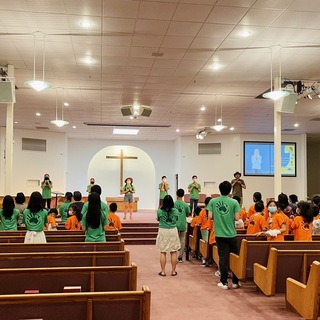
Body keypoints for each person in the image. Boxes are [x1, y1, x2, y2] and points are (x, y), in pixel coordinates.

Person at [207, 181, 241, 290]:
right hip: (232, 234)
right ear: (230, 190)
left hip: (220, 233)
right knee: (235, 257)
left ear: (219, 189)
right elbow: (237, 218)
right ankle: (235, 282)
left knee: (223, 258)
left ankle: (224, 282)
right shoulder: (234, 202)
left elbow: (210, 216)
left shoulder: (213, 201)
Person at [156, 195, 180, 277]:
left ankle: (163, 271)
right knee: (173, 251)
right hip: (173, 230)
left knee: (163, 251)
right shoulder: (175, 211)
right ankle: (173, 271)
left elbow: (158, 219)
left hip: (163, 231)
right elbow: (176, 219)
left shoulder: (159, 211)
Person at [174, 189, 191, 263]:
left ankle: (174, 255)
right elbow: (188, 214)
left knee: (175, 239)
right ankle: (180, 256)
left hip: (175, 224)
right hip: (183, 224)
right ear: (183, 195)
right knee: (182, 239)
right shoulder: (185, 205)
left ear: (176, 194)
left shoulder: (174, 204)